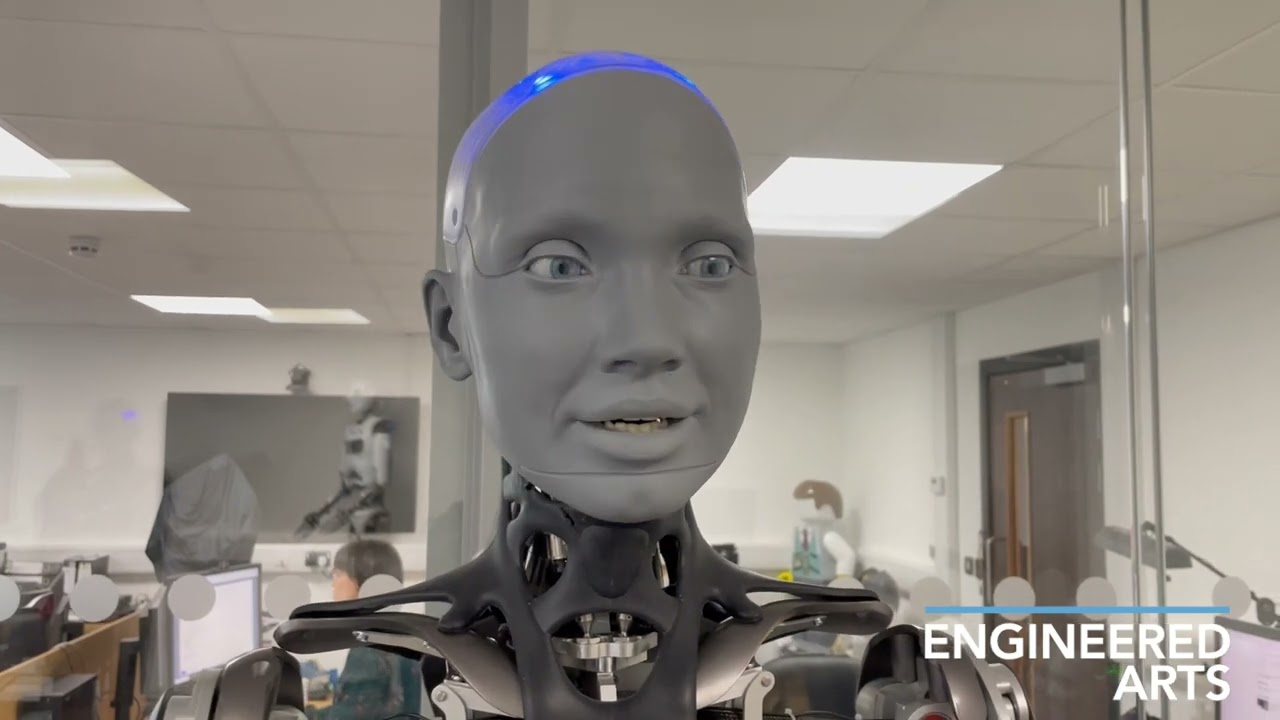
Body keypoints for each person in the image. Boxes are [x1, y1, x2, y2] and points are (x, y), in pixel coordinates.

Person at [314, 540, 421, 720]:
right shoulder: (400, 635)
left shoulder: (368, 650)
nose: (333, 583)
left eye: (338, 574)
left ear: (365, 583)